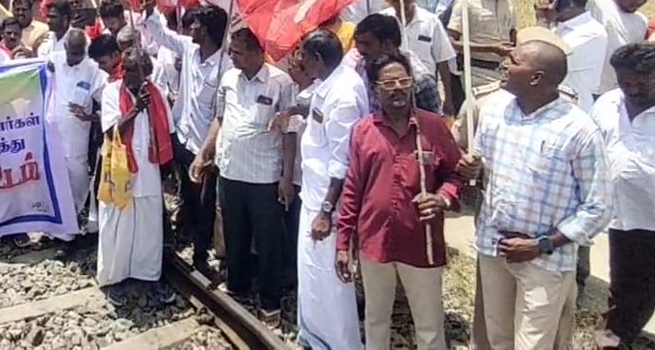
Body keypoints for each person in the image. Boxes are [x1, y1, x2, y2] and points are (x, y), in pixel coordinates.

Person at [460, 38, 611, 350]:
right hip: (494, 248)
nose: (504, 65)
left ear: (536, 78)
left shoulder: (579, 130)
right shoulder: (495, 113)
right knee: (499, 339)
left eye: (514, 61)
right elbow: (486, 172)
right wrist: (474, 171)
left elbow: (598, 207)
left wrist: (541, 244)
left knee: (532, 344)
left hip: (544, 259)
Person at [336, 53, 465, 350]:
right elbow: (353, 188)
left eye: (404, 82)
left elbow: (455, 174)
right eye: (389, 83)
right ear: (376, 88)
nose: (398, 89)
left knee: (429, 324)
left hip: (422, 241)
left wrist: (443, 198)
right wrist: (344, 243)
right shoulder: (363, 130)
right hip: (373, 240)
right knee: (376, 318)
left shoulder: (431, 127)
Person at [191, 28, 295, 320]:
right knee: (234, 233)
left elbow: (289, 133)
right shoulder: (228, 79)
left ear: (256, 52)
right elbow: (220, 119)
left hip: (264, 176)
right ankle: (237, 284)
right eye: (231, 50)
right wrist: (204, 153)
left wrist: (286, 178)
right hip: (230, 171)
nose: (231, 56)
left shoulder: (280, 83)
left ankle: (270, 301)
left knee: (268, 239)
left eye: (237, 51)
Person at [141, 0, 231, 272]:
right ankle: (184, 235)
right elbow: (162, 34)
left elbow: (221, 116)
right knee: (186, 196)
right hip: (181, 138)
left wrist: (207, 152)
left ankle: (201, 254)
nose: (190, 27)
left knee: (205, 204)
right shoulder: (190, 50)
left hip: (205, 147)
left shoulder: (225, 67)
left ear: (206, 30)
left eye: (196, 24)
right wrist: (148, 8)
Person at [590, 42, 655, 348]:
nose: (632, 89)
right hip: (623, 219)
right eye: (626, 82)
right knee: (629, 292)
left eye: (642, 82)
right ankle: (616, 339)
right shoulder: (608, 104)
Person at [295, 29, 368, 350]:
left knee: (331, 278)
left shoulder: (344, 94)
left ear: (318, 59)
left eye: (304, 55)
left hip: (329, 204)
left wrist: (327, 211)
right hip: (315, 196)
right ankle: (315, 334)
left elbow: (343, 159)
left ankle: (340, 342)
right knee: (313, 273)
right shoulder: (330, 84)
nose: (299, 60)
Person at [96, 49, 175, 303]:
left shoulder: (156, 94)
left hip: (149, 170)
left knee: (149, 226)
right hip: (119, 169)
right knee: (117, 224)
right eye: (126, 69)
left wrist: (172, 170)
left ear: (147, 74)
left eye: (134, 71)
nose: (127, 75)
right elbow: (110, 132)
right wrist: (135, 109)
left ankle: (149, 276)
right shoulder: (111, 92)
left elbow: (168, 132)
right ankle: (113, 280)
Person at [47, 29, 107, 248]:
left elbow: (109, 102)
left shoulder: (93, 70)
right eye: (72, 52)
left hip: (77, 143)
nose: (75, 57)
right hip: (52, 139)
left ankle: (75, 228)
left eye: (79, 52)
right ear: (65, 49)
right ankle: (61, 231)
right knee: (55, 182)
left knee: (78, 182)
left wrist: (90, 116)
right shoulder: (53, 61)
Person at [383, 0, 457, 115]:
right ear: (389, 0)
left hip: (425, 90)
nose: (402, 6)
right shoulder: (382, 20)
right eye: (396, 2)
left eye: (406, 0)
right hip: (394, 90)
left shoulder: (431, 21)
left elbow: (442, 60)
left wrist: (448, 98)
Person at [347, 13, 443, 114]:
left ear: (388, 45)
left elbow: (433, 125)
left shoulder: (420, 81)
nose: (361, 50)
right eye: (358, 43)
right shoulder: (361, 66)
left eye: (367, 44)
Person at [537, 0, 608, 111]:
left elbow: (542, 60)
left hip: (570, 110)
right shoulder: (557, 26)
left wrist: (543, 22)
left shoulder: (591, 33)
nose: (542, 1)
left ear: (563, 1)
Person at [448, 0, 516, 89]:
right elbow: (451, 41)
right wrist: (491, 48)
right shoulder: (467, 2)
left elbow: (513, 32)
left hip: (505, 72)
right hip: (477, 73)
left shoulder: (509, 0)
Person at [591, 0, 655, 97]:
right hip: (592, 87)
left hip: (617, 91)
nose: (639, 2)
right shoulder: (598, 6)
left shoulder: (641, 21)